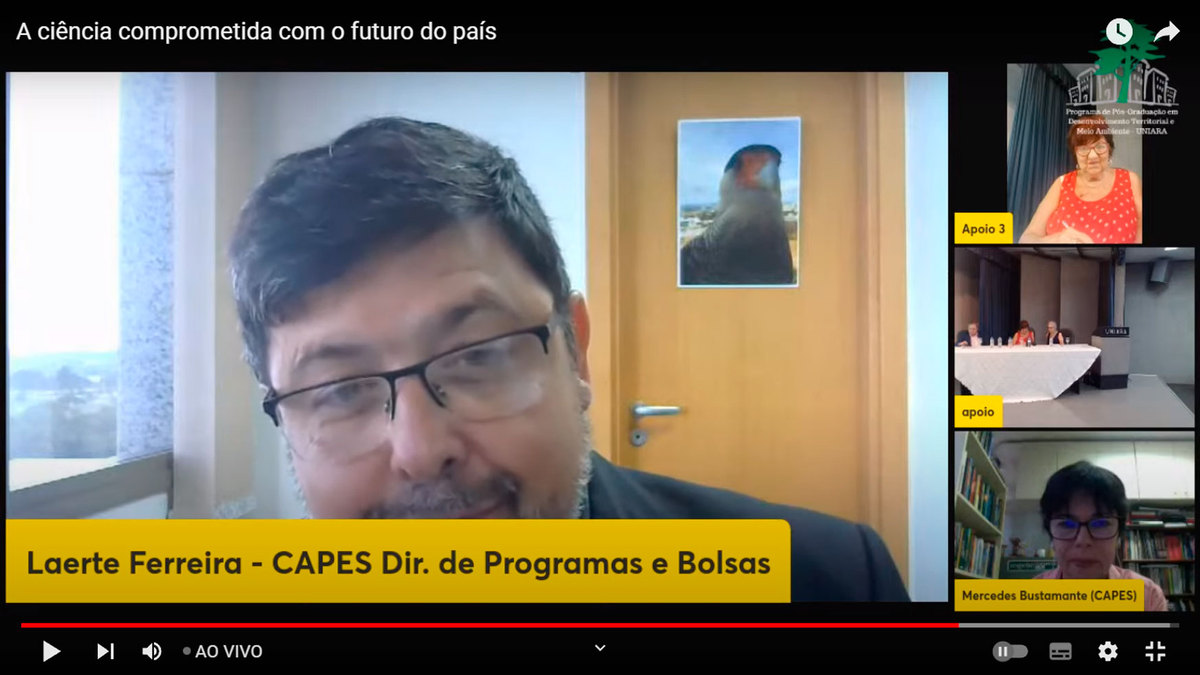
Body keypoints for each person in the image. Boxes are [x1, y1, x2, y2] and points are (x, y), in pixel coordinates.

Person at [227, 116, 910, 602]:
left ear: (575, 351)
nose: (420, 450)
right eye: (340, 389)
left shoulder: (825, 582)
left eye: (476, 355)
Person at [1033, 461, 1169, 611]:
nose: (1083, 541)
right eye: (1066, 524)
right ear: (1051, 536)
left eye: (1100, 524)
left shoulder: (1147, 598)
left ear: (1119, 536)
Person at [1018, 114, 1142, 245]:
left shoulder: (1130, 180)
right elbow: (1026, 238)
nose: (1092, 156)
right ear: (1075, 153)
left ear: (1109, 148)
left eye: (1100, 146)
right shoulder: (1061, 184)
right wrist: (1055, 240)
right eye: (1083, 148)